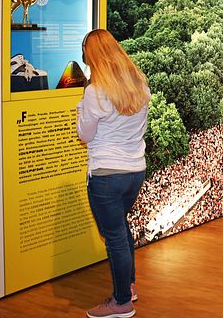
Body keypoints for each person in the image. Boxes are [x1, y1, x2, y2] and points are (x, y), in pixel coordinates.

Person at [77, 28, 151, 318]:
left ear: (91, 55)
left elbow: (84, 134)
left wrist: (82, 107)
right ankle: (128, 287)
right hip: (135, 171)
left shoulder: (95, 92)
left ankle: (121, 302)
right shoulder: (140, 85)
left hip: (106, 174)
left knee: (115, 237)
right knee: (121, 229)